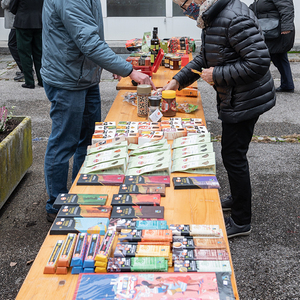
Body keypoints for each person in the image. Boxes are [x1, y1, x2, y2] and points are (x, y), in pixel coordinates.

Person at [168, 0, 276, 238]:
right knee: (232, 153)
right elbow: (205, 58)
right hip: (235, 96)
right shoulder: (213, 15)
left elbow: (258, 62)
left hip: (246, 99)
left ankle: (241, 220)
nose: (183, 10)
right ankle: (237, 200)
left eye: (182, 4)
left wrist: (217, 74)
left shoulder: (233, 18)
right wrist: (178, 80)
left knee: (233, 156)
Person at [41, 0, 155, 222]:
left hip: (84, 77)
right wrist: (128, 70)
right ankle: (56, 204)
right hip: (67, 80)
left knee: (90, 140)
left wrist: (110, 64)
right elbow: (89, 42)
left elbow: (89, 37)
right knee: (64, 142)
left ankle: (81, 192)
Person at [249, 0, 295, 93]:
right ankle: (287, 84)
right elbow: (255, 8)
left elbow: (286, 7)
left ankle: (262, 86)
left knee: (265, 57)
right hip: (269, 30)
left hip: (276, 30)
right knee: (279, 57)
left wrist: (286, 27)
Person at [9, 0, 43, 89]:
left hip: (23, 22)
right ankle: (42, 80)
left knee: (24, 53)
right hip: (39, 22)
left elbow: (12, 7)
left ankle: (29, 81)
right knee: (39, 53)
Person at [1, 0, 24, 81]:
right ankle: (25, 69)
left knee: (12, 44)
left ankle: (25, 70)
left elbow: (5, 4)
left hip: (15, 21)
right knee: (16, 45)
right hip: (16, 20)